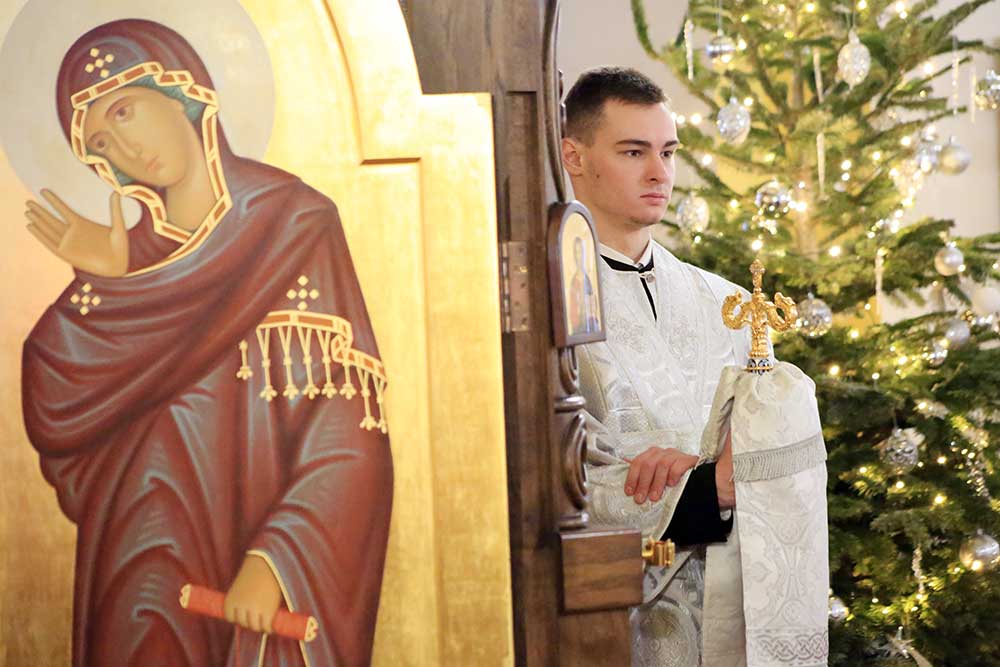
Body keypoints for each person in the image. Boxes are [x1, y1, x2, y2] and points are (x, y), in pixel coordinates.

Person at [21, 19, 392, 667]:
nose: (125, 147)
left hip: (254, 555)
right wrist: (107, 282)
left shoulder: (294, 225)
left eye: (125, 111)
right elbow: (54, 397)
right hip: (137, 568)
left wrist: (276, 558)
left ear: (182, 88)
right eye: (101, 141)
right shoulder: (124, 262)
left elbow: (349, 428)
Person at [562, 67, 752, 665]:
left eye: (668, 152)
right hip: (614, 624)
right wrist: (703, 486)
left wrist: (720, 470)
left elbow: (769, 445)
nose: (659, 173)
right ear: (574, 156)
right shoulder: (544, 306)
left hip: (731, 606)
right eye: (633, 151)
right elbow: (555, 477)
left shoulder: (729, 304)